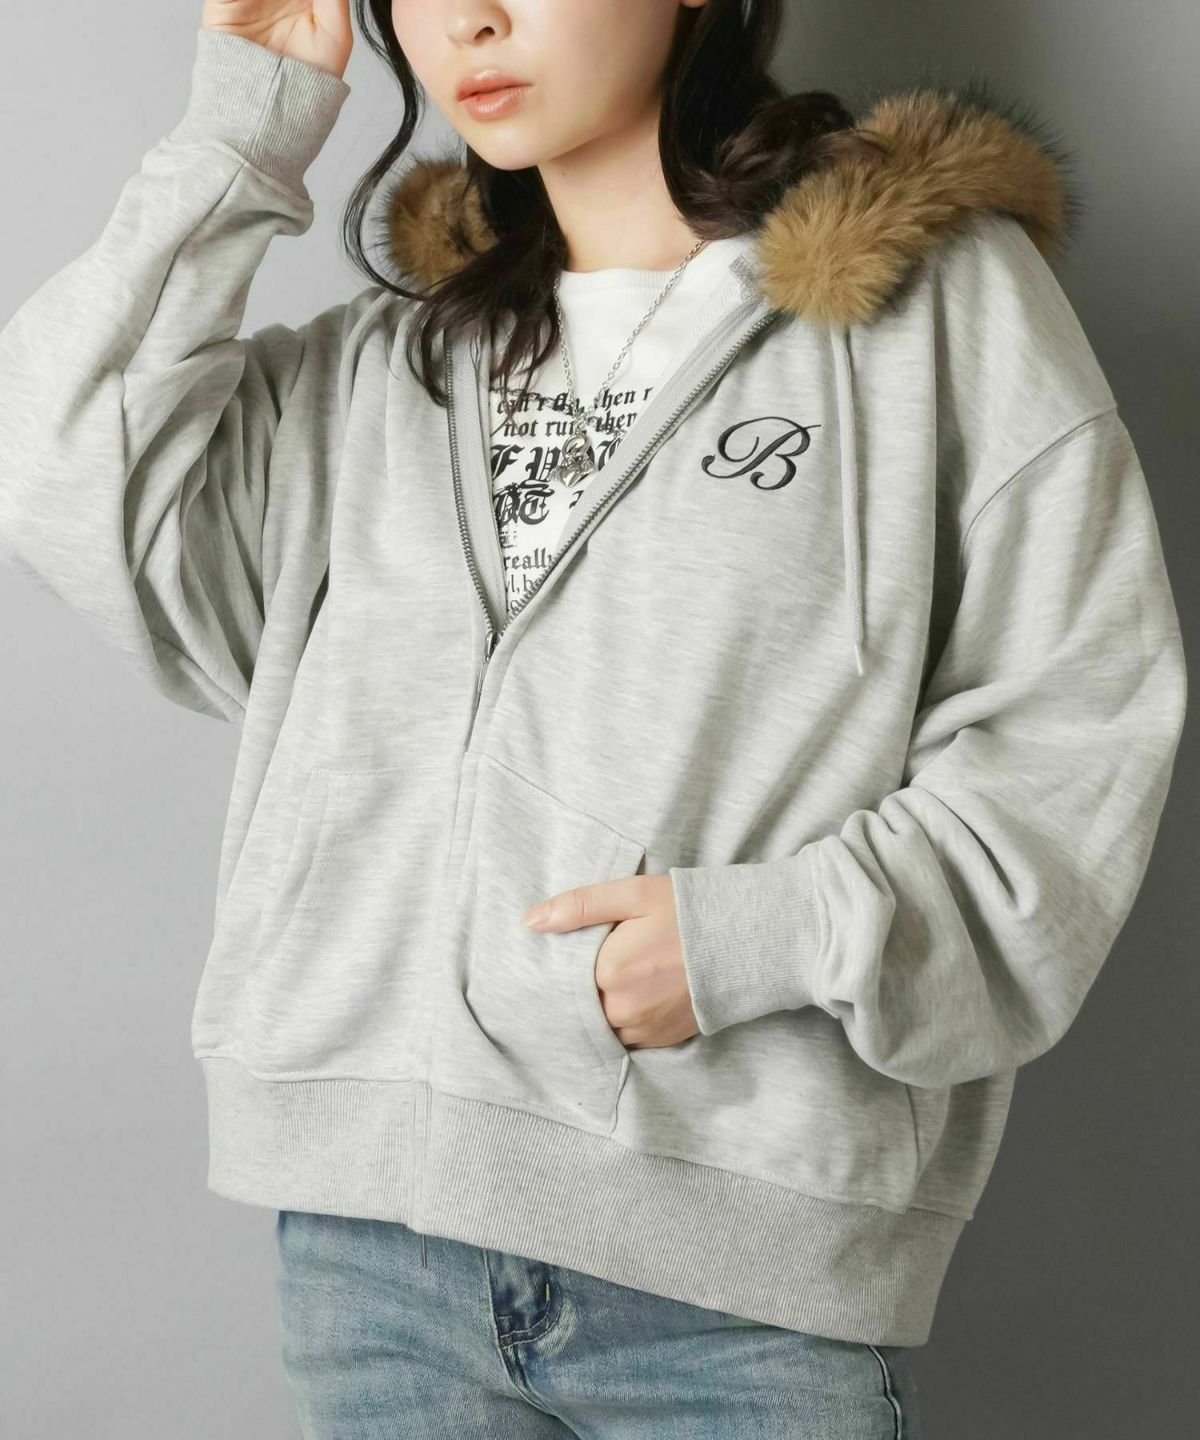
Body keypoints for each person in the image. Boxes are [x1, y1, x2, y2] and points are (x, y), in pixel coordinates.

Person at [0, 1, 1187, 1435]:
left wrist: (769, 935)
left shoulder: (927, 306)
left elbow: (1079, 720)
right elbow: (61, 456)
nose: (471, 19)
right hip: (376, 1273)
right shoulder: (386, 369)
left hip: (736, 1296)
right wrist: (246, 126)